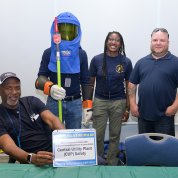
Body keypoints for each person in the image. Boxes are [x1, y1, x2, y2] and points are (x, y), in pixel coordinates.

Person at [35, 12, 92, 129]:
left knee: (73, 139)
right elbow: (39, 80)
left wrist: (88, 106)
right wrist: (50, 88)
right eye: (63, 31)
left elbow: (86, 81)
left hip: (75, 102)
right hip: (54, 102)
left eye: (70, 31)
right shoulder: (48, 53)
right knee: (52, 136)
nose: (66, 35)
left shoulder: (81, 54)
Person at [0, 72, 65, 165]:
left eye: (17, 88)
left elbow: (52, 120)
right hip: (30, 160)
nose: (14, 92)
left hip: (54, 154)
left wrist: (65, 141)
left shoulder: (31, 101)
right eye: (8, 88)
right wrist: (31, 158)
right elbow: (7, 146)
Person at [89, 31, 133, 165]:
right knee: (98, 135)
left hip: (118, 102)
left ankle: (112, 162)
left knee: (115, 134)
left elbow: (129, 86)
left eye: (117, 40)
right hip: (100, 102)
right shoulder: (96, 59)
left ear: (121, 44)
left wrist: (127, 108)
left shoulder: (126, 61)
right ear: (106, 41)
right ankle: (99, 161)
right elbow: (91, 84)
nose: (113, 42)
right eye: (110, 39)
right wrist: (88, 106)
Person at [128, 28, 178, 136]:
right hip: (143, 115)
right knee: (145, 149)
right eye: (155, 40)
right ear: (151, 42)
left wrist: (175, 106)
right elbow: (132, 84)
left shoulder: (176, 62)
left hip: (165, 116)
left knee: (164, 150)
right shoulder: (141, 62)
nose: (158, 43)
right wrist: (132, 104)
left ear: (168, 42)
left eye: (162, 40)